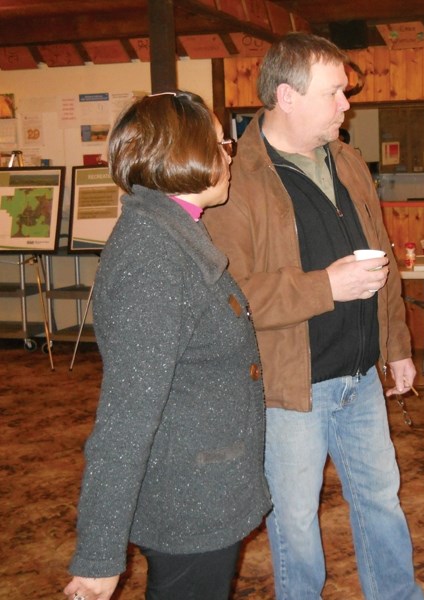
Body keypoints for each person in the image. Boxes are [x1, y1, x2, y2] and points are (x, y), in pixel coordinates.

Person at [203, 33, 424, 600]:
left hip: (360, 378)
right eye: (334, 93)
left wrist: (395, 344)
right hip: (290, 389)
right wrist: (326, 286)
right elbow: (231, 299)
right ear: (288, 95)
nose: (346, 105)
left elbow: (384, 263)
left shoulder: (347, 160)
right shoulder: (234, 182)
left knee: (381, 501)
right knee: (294, 522)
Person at [63, 91, 271, 600]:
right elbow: (125, 416)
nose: (229, 155)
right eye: (222, 143)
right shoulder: (153, 258)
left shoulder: (173, 230)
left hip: (201, 483)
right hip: (186, 498)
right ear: (187, 154)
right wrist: (97, 556)